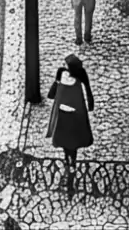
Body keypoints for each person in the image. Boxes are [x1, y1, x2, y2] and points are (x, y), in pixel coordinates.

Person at [46, 55, 96, 192]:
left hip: (67, 116)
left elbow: (51, 95)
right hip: (71, 116)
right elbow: (88, 92)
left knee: (68, 143)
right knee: (69, 144)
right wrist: (90, 105)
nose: (65, 67)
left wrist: (57, 82)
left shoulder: (68, 76)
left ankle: (69, 163)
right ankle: (71, 163)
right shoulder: (74, 76)